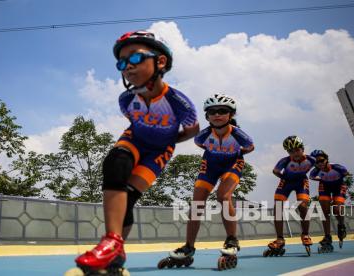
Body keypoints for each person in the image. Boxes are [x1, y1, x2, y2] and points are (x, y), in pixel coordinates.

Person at [73, 30, 199, 275]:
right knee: (115, 163)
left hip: (159, 151)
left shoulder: (179, 103)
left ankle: (117, 250)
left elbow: (193, 130)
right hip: (135, 139)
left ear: (160, 62)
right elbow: (133, 121)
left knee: (128, 200)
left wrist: (171, 140)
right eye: (121, 62)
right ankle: (111, 242)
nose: (127, 67)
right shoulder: (126, 100)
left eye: (134, 58)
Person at [159, 94, 254, 270]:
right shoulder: (203, 135)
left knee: (223, 196)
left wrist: (232, 155)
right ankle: (188, 247)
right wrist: (216, 152)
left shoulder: (239, 135)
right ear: (207, 116)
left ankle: (232, 240)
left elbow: (250, 147)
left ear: (231, 115)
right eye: (212, 111)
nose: (217, 114)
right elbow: (198, 143)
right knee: (196, 204)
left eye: (222, 111)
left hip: (232, 163)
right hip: (210, 164)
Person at [263, 135, 315, 257]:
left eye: (297, 150)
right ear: (287, 152)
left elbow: (319, 168)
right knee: (278, 207)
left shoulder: (311, 160)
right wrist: (283, 178)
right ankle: (280, 239)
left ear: (302, 149)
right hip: (286, 182)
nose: (295, 153)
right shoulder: (285, 161)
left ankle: (305, 234)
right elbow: (275, 171)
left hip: (301, 182)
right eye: (291, 151)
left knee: (302, 206)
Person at [310, 149, 349, 252]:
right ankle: (327, 236)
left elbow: (346, 173)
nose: (319, 163)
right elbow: (312, 177)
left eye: (321, 160)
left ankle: (341, 225)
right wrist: (324, 179)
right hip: (325, 186)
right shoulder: (315, 171)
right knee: (324, 211)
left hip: (338, 186)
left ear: (326, 159)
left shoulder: (337, 167)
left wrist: (336, 180)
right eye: (316, 162)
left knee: (337, 209)